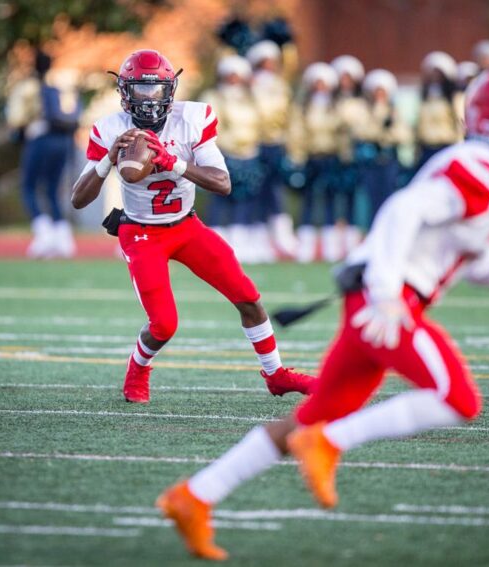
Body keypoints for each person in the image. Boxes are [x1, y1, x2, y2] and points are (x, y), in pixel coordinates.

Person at [153, 64, 489, 560]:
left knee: (307, 421)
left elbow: (481, 265)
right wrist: (388, 293)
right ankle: (331, 443)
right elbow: (403, 210)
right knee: (458, 399)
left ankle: (194, 496)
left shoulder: (480, 165)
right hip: (385, 302)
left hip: (373, 299)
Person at [71, 49, 315, 403]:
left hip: (186, 227)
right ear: (125, 91)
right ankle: (138, 367)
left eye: (155, 90)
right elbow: (79, 199)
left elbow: (222, 182)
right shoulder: (110, 129)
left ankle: (276, 375)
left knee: (249, 299)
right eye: (139, 89)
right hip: (142, 233)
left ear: (171, 89)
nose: (148, 99)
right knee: (164, 325)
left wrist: (174, 163)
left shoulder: (191, 118)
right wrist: (108, 160)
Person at [7, 50, 80, 258]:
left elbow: (16, 118)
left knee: (29, 187)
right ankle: (63, 238)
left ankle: (44, 233)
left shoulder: (29, 87)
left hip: (40, 139)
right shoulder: (61, 88)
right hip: (63, 141)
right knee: (52, 190)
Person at [200, 54, 268, 263]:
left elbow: (263, 120)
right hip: (224, 153)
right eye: (230, 75)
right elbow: (208, 125)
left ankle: (240, 240)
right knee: (220, 197)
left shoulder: (252, 98)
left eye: (237, 76)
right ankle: (214, 242)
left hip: (249, 153)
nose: (234, 79)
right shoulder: (214, 97)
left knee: (246, 198)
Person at [246, 40, 297, 259]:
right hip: (255, 144)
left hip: (275, 144)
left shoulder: (280, 86)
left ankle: (282, 237)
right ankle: (256, 238)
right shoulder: (250, 86)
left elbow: (287, 115)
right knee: (255, 191)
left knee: (275, 190)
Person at [286, 62, 341, 262]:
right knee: (308, 200)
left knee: (330, 200)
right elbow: (297, 133)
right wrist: (297, 157)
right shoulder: (303, 108)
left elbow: (343, 132)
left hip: (331, 157)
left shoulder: (337, 107)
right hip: (311, 158)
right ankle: (306, 245)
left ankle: (330, 245)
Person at [355, 69, 412, 226]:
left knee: (389, 196)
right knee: (371, 197)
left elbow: (403, 135)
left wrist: (388, 131)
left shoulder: (394, 111)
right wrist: (378, 124)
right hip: (370, 160)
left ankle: (387, 227)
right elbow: (362, 132)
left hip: (388, 159)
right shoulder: (365, 110)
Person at [331, 54, 368, 256]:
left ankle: (353, 238)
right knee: (336, 197)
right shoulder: (332, 101)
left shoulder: (361, 102)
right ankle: (335, 240)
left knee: (354, 197)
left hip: (355, 155)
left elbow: (362, 125)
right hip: (335, 154)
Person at [415, 51, 464, 170]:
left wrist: (459, 145)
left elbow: (460, 122)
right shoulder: (424, 98)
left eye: (438, 73)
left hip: (446, 146)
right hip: (427, 147)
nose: (435, 77)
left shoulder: (453, 98)